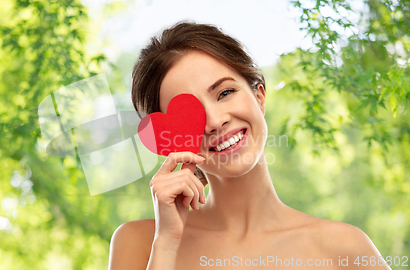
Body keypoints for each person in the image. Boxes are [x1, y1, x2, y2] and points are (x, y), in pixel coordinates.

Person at [108, 20, 389, 270]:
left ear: (260, 96)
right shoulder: (139, 243)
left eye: (225, 92)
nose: (215, 121)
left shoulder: (343, 249)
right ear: (170, 138)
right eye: (189, 114)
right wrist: (167, 244)